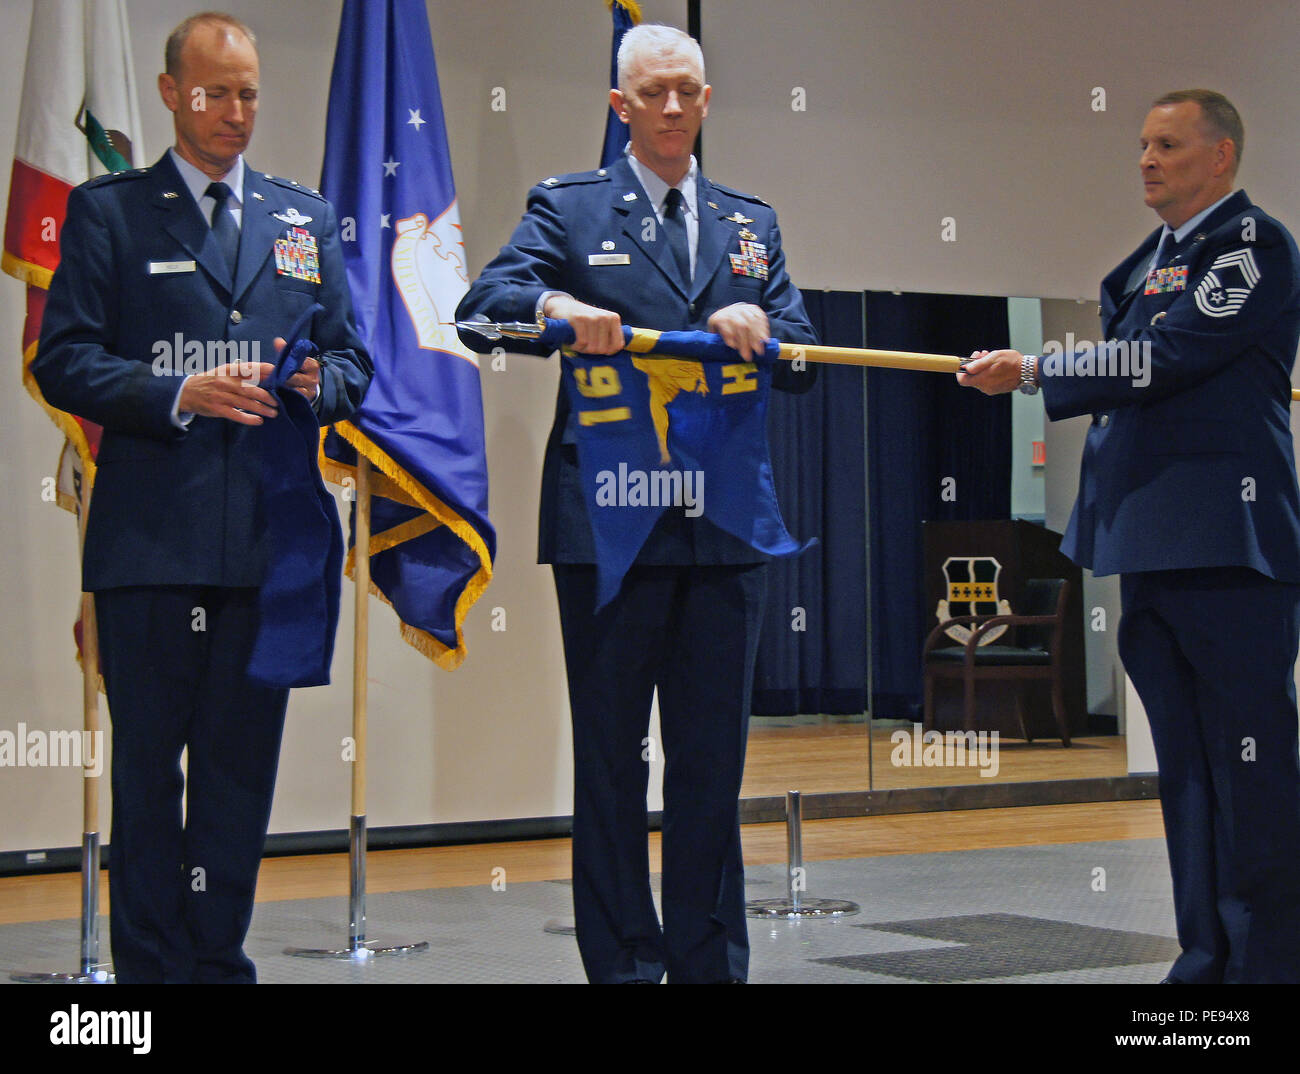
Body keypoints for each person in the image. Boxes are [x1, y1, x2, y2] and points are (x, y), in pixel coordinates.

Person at [457, 23, 816, 983]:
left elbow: (803, 354)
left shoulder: (751, 222)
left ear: (705, 101)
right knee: (612, 763)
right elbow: (482, 303)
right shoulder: (571, 210)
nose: (671, 109)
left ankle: (708, 963)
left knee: (711, 770)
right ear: (619, 106)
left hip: (723, 526)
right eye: (652, 92)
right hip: (609, 521)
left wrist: (765, 328)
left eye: (687, 92)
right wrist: (559, 314)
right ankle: (622, 964)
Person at [31, 12, 371, 983]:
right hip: (148, 550)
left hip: (267, 553)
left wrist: (323, 387)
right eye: (216, 91)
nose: (236, 111)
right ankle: (146, 975)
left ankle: (217, 963)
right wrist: (174, 392)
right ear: (172, 91)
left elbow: (354, 362)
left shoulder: (301, 220)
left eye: (250, 92)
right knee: (147, 778)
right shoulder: (110, 213)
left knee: (235, 780)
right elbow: (66, 361)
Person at [959, 90, 1300, 983]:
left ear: (1221, 156)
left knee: (1249, 769)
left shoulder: (1253, 247)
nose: (1146, 159)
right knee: (1187, 772)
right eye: (1142, 144)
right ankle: (1204, 963)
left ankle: (1265, 968)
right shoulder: (1153, 260)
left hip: (1228, 546)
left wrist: (1036, 368)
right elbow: (1140, 340)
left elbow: (1167, 355)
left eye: (1168, 145)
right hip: (1149, 544)